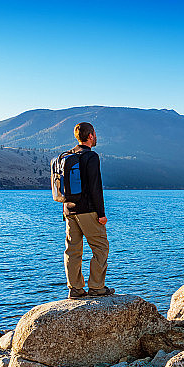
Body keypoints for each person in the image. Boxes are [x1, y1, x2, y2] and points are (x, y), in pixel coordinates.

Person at [63, 122, 114, 299]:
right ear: (91, 136)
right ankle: (96, 287)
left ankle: (75, 289)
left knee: (73, 250)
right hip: (88, 211)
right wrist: (101, 214)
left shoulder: (68, 155)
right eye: (95, 134)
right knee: (100, 247)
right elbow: (95, 187)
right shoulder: (91, 157)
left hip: (69, 210)